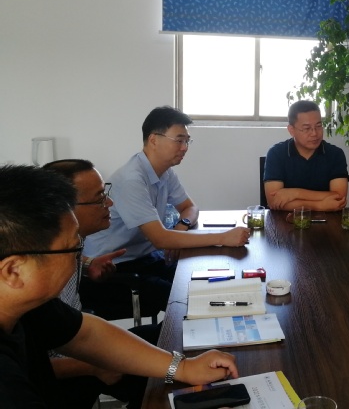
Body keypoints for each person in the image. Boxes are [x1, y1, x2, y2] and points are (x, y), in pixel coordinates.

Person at [0, 164, 239, 408]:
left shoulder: (30, 307)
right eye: (73, 248)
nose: (80, 258)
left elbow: (85, 334)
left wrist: (183, 367)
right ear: (13, 271)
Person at [83, 106, 250, 310]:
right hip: (112, 269)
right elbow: (160, 239)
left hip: (146, 258)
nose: (185, 147)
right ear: (154, 139)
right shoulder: (131, 179)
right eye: (179, 140)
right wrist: (223, 237)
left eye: (187, 141)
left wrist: (181, 226)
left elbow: (190, 207)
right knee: (186, 300)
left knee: (204, 278)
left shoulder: (165, 172)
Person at [43, 159, 158, 409]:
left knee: (163, 338)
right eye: (99, 199)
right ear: (65, 209)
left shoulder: (72, 244)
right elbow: (27, 365)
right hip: (59, 378)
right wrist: (94, 366)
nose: (109, 203)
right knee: (156, 379)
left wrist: (87, 264)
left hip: (83, 347)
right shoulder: (37, 274)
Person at [263, 100, 349, 211]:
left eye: (318, 126)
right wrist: (320, 205)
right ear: (291, 130)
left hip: (328, 220)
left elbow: (339, 198)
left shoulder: (335, 154)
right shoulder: (276, 153)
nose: (314, 133)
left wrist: (295, 193)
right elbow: (274, 201)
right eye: (307, 128)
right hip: (285, 220)